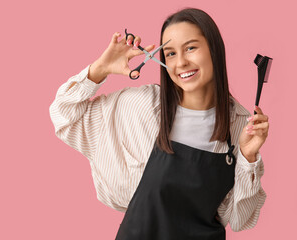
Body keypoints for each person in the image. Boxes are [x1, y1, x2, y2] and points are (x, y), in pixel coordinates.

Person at [49, 7, 268, 240]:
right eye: (171, 53)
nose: (181, 62)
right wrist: (99, 69)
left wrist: (248, 156)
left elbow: (239, 219)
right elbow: (64, 115)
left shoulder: (238, 126)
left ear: (214, 49)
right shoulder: (142, 106)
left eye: (191, 48)